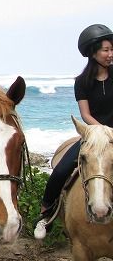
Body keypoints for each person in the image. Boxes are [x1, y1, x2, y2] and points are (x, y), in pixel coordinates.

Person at [34, 23, 113, 239]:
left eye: (112, 50)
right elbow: (85, 114)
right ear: (93, 52)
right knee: (61, 171)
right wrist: (101, 132)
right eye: (106, 50)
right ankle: (46, 214)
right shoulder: (82, 82)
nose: (110, 54)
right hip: (93, 136)